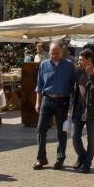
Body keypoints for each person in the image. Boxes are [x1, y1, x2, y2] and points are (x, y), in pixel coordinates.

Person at [34, 42, 77, 170]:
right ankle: (40, 159)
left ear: (62, 52)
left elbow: (73, 86)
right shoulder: (44, 64)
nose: (54, 55)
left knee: (61, 131)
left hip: (62, 101)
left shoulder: (69, 66)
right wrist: (38, 102)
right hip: (47, 100)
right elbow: (39, 85)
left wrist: (72, 103)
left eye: (57, 53)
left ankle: (60, 158)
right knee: (41, 129)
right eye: (52, 52)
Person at [70, 49, 94, 174]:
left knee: (92, 139)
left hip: (92, 110)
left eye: (81, 60)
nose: (78, 62)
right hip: (78, 109)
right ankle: (82, 156)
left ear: (89, 60)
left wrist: (92, 76)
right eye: (78, 60)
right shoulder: (78, 72)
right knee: (74, 137)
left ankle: (87, 164)